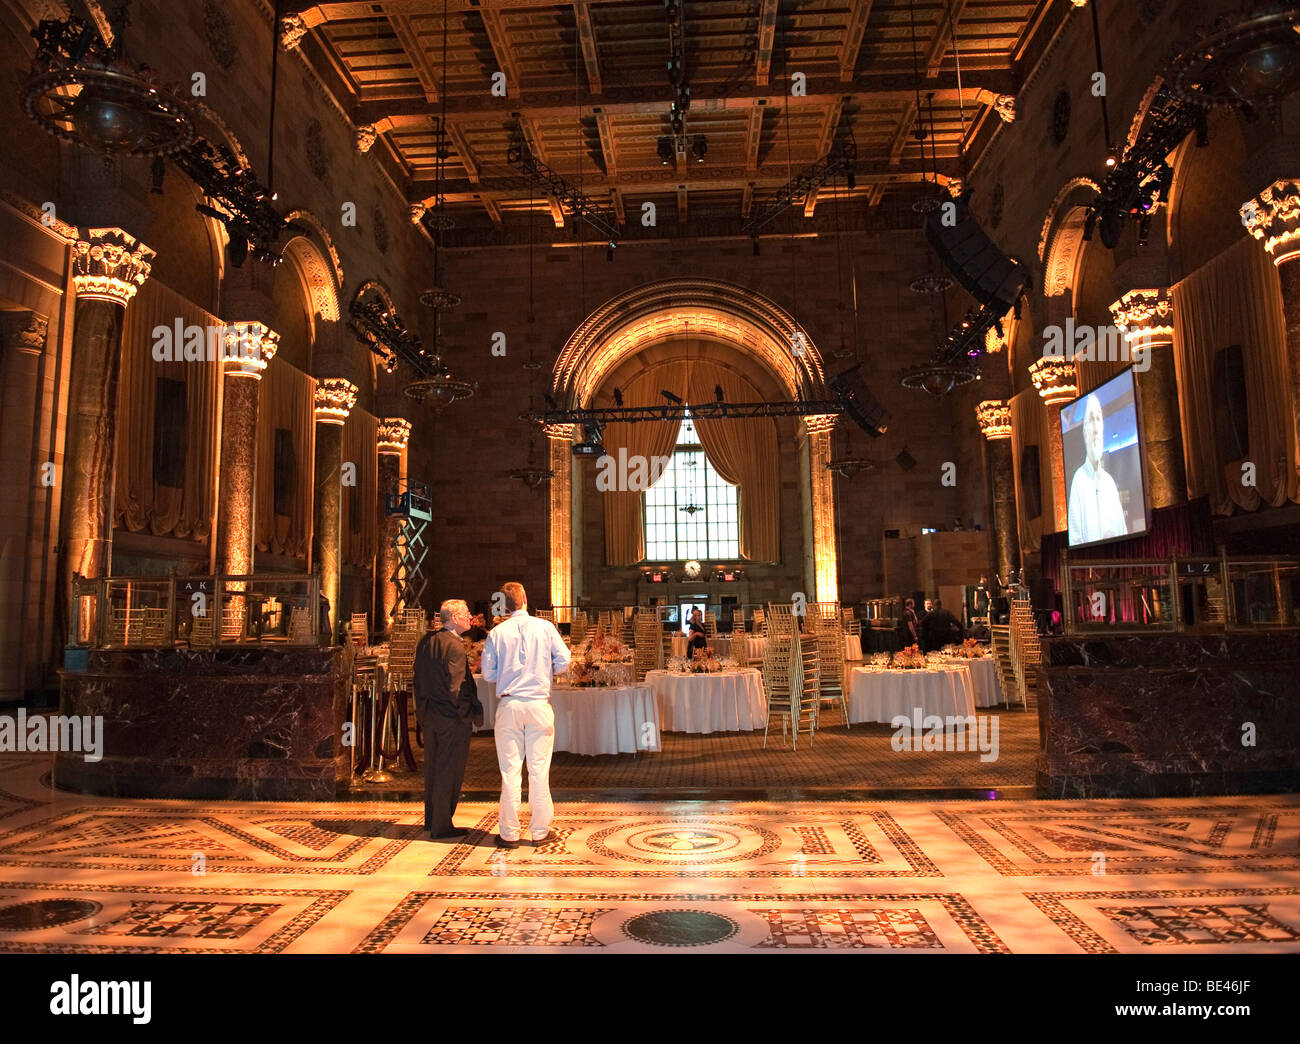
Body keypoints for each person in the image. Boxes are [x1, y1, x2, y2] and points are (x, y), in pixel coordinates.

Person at [480, 582, 571, 849]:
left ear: (504, 605)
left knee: (509, 771)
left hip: (509, 705)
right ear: (525, 600)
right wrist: (545, 671)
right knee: (539, 769)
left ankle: (508, 834)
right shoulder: (545, 627)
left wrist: (508, 676)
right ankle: (540, 831)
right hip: (538, 704)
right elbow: (565, 660)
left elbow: (488, 674)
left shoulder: (496, 633)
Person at [413, 599, 481, 840]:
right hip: (450, 719)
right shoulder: (454, 645)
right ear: (453, 617)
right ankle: (442, 825)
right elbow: (456, 687)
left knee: (433, 768)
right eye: (465, 613)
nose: (470, 616)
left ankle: (432, 819)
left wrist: (421, 711)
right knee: (448, 770)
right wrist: (464, 713)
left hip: (431, 715)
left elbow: (419, 680)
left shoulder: (426, 641)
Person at [1067, 393, 1127, 544]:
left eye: (1098, 419)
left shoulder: (1109, 483)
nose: (1095, 429)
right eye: (1090, 420)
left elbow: (1123, 532)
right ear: (1085, 432)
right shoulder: (1078, 480)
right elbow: (1075, 538)